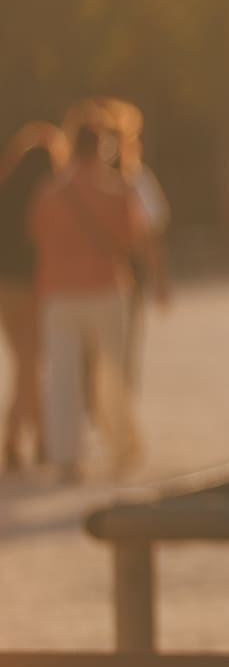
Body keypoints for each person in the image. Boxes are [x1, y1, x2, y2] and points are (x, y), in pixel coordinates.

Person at [29, 111, 162, 481]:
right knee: (111, 372)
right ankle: (119, 444)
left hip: (57, 291)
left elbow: (36, 233)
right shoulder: (117, 189)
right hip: (104, 288)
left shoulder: (50, 191)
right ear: (102, 146)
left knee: (63, 374)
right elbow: (131, 239)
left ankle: (67, 458)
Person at [0, 122, 68, 470]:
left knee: (27, 364)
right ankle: (14, 441)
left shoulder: (6, 188)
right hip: (36, 285)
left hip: (6, 287)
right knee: (30, 365)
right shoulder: (49, 194)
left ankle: (43, 440)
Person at [91, 97, 170, 394]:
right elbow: (150, 233)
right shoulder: (135, 178)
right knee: (121, 345)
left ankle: (107, 402)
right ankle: (116, 404)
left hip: (93, 274)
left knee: (104, 347)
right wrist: (160, 278)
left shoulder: (72, 178)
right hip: (124, 274)